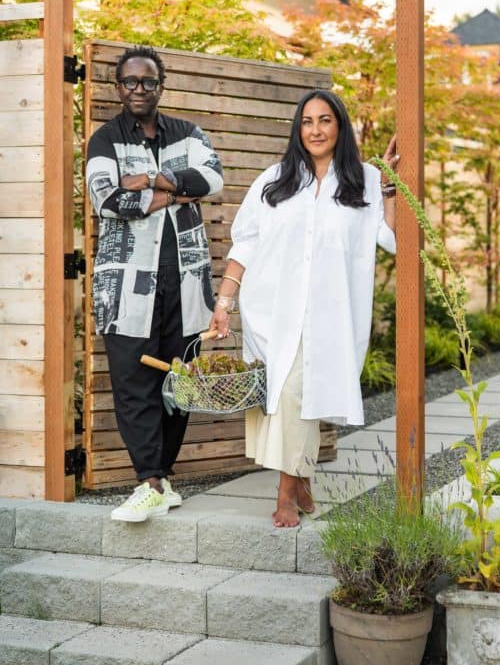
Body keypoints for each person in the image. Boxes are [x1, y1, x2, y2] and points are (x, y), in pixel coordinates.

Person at [210, 89, 397, 527]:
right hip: (273, 310)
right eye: (307, 121)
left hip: (330, 316)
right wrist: (224, 302)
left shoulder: (364, 180)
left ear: (340, 126)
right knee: (285, 396)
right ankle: (290, 490)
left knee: (302, 397)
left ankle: (294, 484)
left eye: (325, 120)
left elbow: (394, 239)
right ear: (298, 129)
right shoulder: (275, 180)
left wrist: (389, 187)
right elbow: (246, 242)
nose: (315, 129)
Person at [86, 45, 224, 522]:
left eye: (148, 81)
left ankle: (162, 478)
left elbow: (213, 178)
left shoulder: (188, 134)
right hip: (125, 289)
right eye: (129, 82)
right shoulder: (104, 140)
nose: (139, 89)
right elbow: (104, 199)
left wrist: (149, 179)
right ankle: (148, 480)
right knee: (132, 385)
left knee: (177, 384)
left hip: (185, 284)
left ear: (160, 85)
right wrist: (170, 194)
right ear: (118, 86)